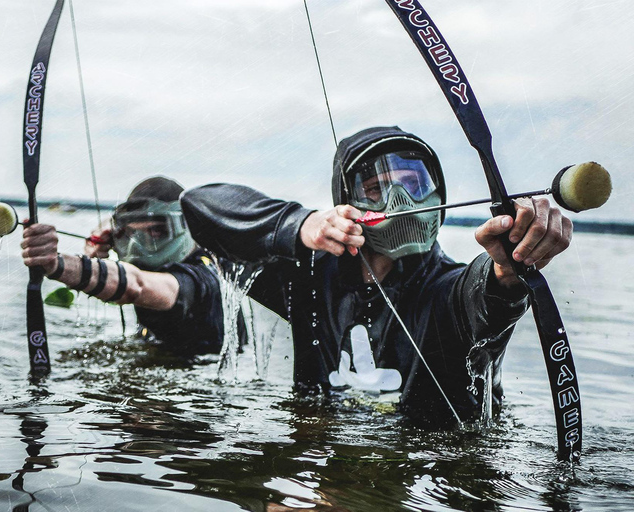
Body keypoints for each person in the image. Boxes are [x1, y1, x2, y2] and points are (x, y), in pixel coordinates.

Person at [180, 126, 573, 425]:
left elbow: (486, 292)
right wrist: (300, 225)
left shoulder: (448, 290)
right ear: (347, 204)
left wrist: (509, 265)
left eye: (413, 184)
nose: (400, 202)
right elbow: (199, 207)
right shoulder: (310, 280)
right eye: (375, 188)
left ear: (437, 195)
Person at [21, 176, 244, 356]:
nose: (140, 245)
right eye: (131, 232)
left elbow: (137, 286)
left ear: (186, 226)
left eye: (156, 231)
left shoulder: (205, 274)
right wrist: (102, 239)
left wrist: (59, 265)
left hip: (201, 384)